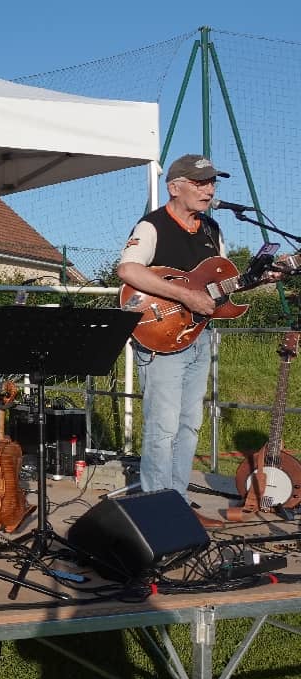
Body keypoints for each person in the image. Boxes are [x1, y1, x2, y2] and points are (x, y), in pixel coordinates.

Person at [117, 154, 279, 529]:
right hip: (160, 337)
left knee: (189, 423)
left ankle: (179, 502)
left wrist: (263, 278)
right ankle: (157, 508)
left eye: (212, 183)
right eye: (200, 182)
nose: (209, 189)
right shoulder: (152, 225)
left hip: (198, 337)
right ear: (175, 187)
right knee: (163, 426)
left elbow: (220, 283)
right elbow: (127, 270)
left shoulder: (212, 229)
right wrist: (187, 297)